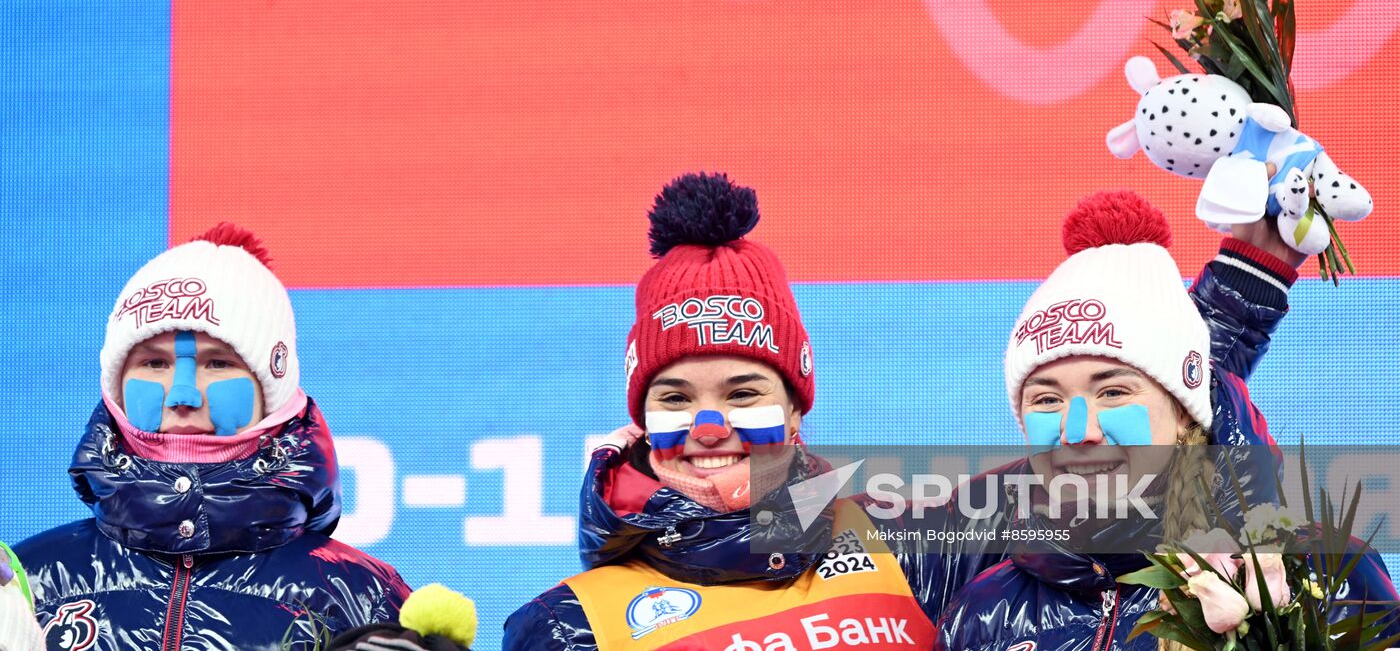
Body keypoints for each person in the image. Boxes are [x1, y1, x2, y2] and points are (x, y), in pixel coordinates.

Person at [500, 175, 1298, 649]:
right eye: (676, 398)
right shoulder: (570, 625)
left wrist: (1238, 287)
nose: (712, 429)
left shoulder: (898, 545)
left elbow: (1111, 457)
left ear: (796, 411)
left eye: (745, 395)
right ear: (639, 420)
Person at [933, 192, 1399, 650]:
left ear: (1183, 410)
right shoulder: (983, 614)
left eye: (1113, 392)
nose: (1079, 432)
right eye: (1047, 400)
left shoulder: (1316, 576)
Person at [14, 223, 410, 648]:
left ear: (272, 392)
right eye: (154, 363)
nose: (182, 395)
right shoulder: (23, 584)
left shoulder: (365, 598)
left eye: (218, 363)